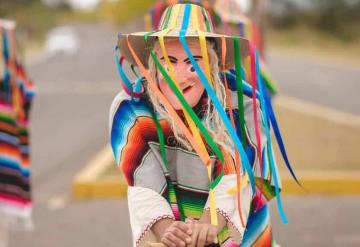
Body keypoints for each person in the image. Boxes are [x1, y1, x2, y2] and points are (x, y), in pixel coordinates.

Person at [110, 3, 291, 247]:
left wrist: (209, 222)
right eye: (168, 61)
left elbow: (239, 168)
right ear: (153, 62)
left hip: (237, 230)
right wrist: (168, 229)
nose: (180, 75)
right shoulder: (132, 106)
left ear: (214, 63)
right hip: (170, 227)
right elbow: (143, 179)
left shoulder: (241, 101)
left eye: (194, 61)